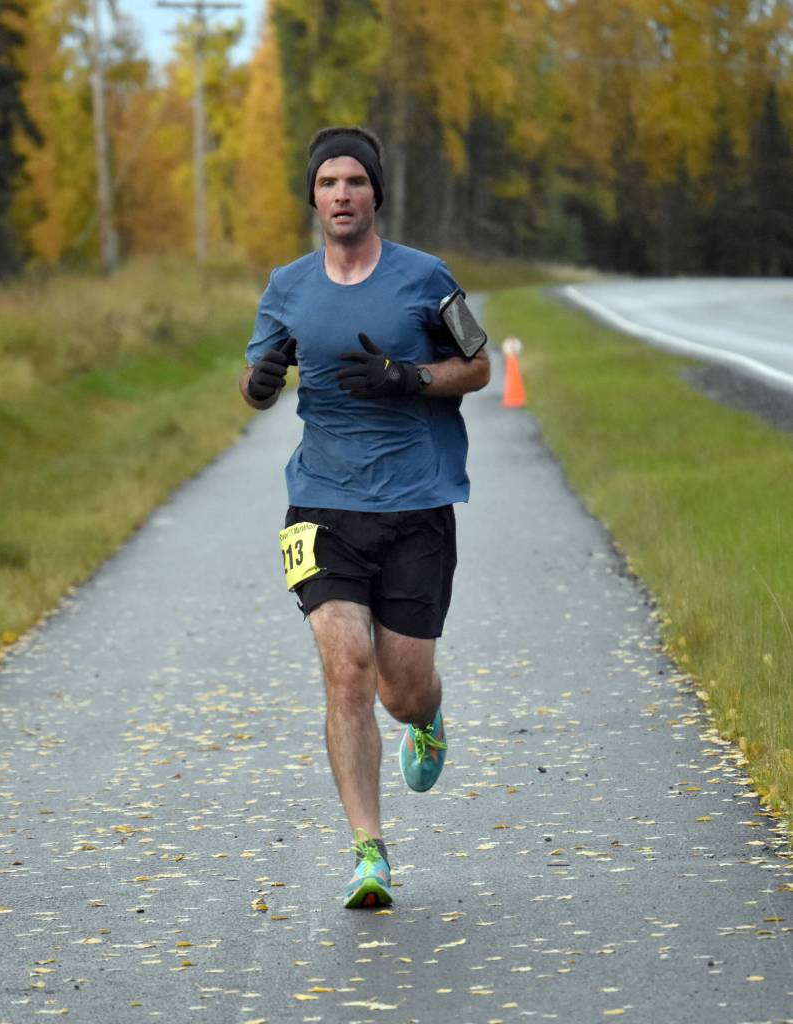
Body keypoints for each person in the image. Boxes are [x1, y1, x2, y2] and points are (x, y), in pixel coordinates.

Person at [239, 125, 490, 909]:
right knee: (345, 667)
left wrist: (408, 377)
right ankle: (367, 853)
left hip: (415, 502)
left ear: (375, 193)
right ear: (312, 197)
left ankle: (429, 716)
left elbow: (481, 366)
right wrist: (264, 377)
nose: (340, 194)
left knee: (398, 689)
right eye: (326, 183)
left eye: (353, 181)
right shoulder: (287, 287)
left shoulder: (425, 278)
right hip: (320, 502)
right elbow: (251, 388)